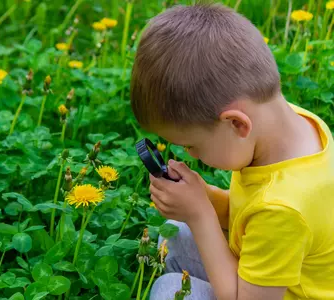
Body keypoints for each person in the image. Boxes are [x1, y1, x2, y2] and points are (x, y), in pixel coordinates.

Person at [130, 2, 334, 300]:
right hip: (272, 270)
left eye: (192, 145)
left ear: (237, 124)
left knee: (170, 290)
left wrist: (200, 215)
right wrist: (205, 198)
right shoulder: (294, 126)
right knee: (175, 230)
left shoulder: (283, 209)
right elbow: (250, 216)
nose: (192, 155)